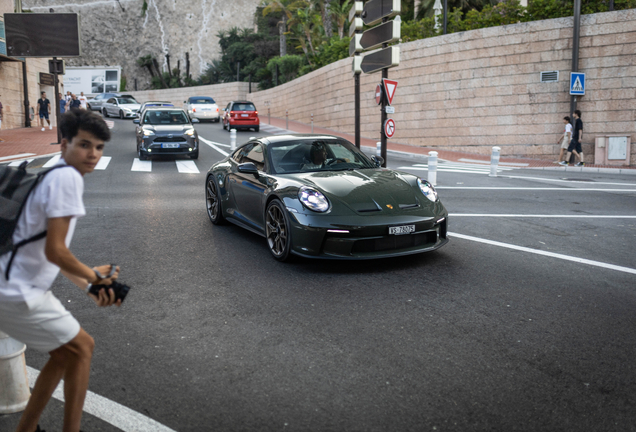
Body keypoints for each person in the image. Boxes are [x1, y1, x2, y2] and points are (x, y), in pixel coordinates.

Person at [0, 109, 121, 432]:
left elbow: (49, 252)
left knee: (64, 355)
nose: (92, 155)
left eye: (98, 147)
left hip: (11, 285)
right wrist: (97, 279)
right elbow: (57, 251)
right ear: (64, 143)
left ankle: (26, 429)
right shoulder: (67, 177)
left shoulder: (53, 170)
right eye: (84, 145)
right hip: (17, 291)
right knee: (82, 348)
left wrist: (89, 285)